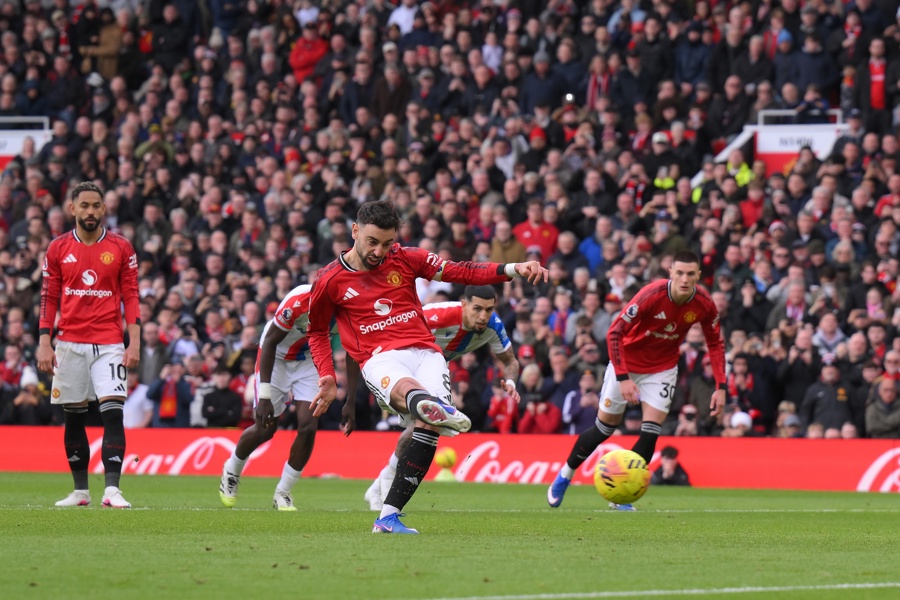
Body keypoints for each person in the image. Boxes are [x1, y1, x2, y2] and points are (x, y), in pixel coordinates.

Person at [307, 200, 546, 533]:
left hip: (426, 352)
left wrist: (512, 269)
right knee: (416, 400)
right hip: (379, 357)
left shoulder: (406, 258)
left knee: (427, 429)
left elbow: (463, 271)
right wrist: (327, 377)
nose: (380, 251)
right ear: (355, 231)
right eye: (373, 242)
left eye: (387, 243)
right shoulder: (329, 280)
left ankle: (387, 517)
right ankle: (431, 406)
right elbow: (317, 331)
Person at [547, 250, 725, 510]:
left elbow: (715, 343)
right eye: (679, 273)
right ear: (671, 273)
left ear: (698, 275)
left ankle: (622, 497)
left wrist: (721, 386)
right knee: (603, 429)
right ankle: (565, 475)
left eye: (690, 274)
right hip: (627, 364)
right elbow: (614, 333)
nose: (684, 279)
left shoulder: (704, 304)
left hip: (662, 368)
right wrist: (623, 378)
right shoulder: (651, 295)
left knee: (651, 432)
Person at [363, 284, 521, 511]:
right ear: (464, 304)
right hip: (406, 361)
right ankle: (386, 480)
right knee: (426, 421)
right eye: (477, 309)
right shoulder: (437, 315)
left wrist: (512, 382)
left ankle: (383, 480)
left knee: (427, 423)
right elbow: (395, 330)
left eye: (489, 309)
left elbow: (511, 361)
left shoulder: (494, 326)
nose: (483, 316)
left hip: (436, 368)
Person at [37, 182, 141, 508]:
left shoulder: (121, 248)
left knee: (113, 413)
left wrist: (133, 342)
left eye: (96, 205)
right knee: (74, 417)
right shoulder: (57, 249)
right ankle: (80, 491)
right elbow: (48, 297)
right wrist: (44, 341)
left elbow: (132, 297)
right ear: (73, 209)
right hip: (68, 343)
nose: (91, 211)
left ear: (104, 209)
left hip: (109, 342)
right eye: (84, 206)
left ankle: (112, 489)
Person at [219, 284, 355, 511]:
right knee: (265, 428)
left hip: (310, 359)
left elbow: (353, 350)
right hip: (277, 357)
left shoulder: (348, 308)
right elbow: (270, 342)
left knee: (309, 426)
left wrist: (350, 399)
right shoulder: (298, 303)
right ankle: (232, 468)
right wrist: (263, 397)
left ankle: (283, 492)